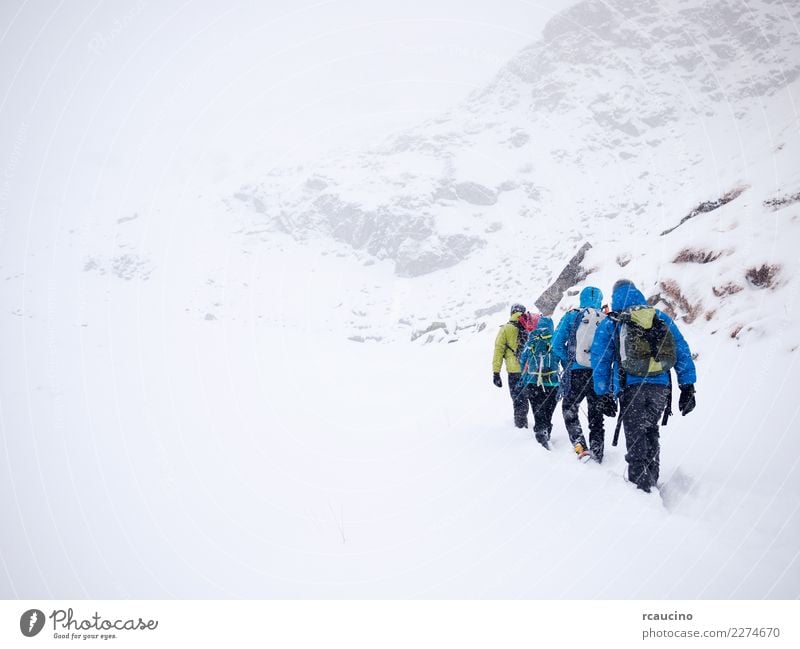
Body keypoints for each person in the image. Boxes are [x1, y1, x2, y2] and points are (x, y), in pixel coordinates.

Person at [591, 279, 697, 493]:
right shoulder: (659, 317)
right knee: (650, 430)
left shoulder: (613, 322)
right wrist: (687, 386)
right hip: (661, 389)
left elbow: (600, 359)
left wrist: (602, 393)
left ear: (615, 297)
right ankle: (651, 480)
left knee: (636, 436)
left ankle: (642, 490)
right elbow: (682, 350)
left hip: (631, 387)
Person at [552, 286, 606, 461]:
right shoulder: (605, 320)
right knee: (596, 414)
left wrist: (568, 360)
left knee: (569, 409)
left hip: (575, 374)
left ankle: (580, 445)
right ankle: (597, 451)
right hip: (598, 376)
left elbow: (556, 344)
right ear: (599, 299)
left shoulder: (572, 316)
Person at [518, 316, 560, 448]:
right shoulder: (555, 339)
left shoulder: (531, 339)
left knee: (538, 410)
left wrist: (524, 378)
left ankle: (540, 433)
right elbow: (563, 356)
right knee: (548, 410)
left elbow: (523, 360)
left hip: (532, 382)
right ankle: (546, 430)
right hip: (552, 383)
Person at [492, 303, 530, 428]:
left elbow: (498, 351)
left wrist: (496, 373)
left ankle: (520, 426)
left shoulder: (506, 329)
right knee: (530, 398)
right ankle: (538, 427)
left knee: (518, 399)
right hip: (529, 370)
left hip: (514, 371)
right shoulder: (530, 326)